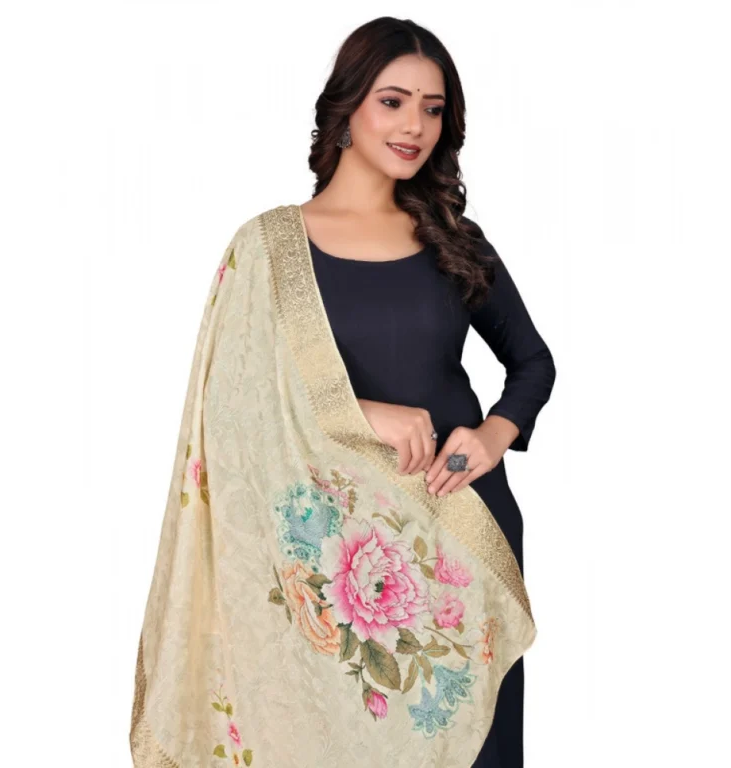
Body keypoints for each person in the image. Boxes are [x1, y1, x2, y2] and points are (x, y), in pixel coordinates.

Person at [130, 17, 556, 768]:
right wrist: (356, 414)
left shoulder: (454, 239)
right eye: (393, 101)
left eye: (433, 109)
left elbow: (533, 364)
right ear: (347, 106)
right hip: (327, 563)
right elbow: (227, 410)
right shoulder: (270, 247)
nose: (414, 126)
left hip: (458, 535)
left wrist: (493, 436)